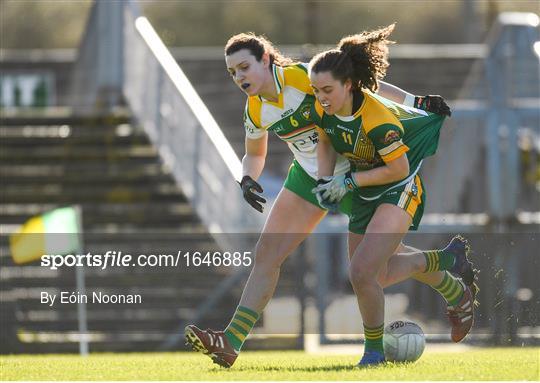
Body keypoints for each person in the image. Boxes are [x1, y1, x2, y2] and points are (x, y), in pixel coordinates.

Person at [184, 32, 475, 368]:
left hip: (359, 172)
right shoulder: (255, 108)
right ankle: (230, 341)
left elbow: (366, 87)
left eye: (245, 67)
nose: (239, 77)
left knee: (373, 270)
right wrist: (247, 177)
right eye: (233, 72)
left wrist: (417, 101)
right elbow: (254, 152)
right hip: (312, 179)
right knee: (266, 254)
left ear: (265, 59)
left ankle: (450, 277)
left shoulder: (302, 77)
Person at [308, 24, 478, 366]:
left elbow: (398, 169)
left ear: (349, 85)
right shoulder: (322, 107)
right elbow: (325, 139)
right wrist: (325, 180)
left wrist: (350, 183)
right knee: (376, 275)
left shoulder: (375, 117)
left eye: (327, 89)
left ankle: (373, 355)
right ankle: (450, 266)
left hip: (399, 189)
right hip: (365, 194)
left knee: (361, 272)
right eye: (315, 89)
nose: (320, 96)